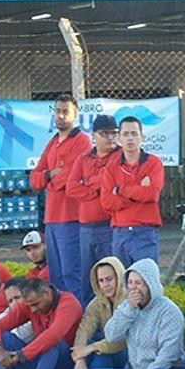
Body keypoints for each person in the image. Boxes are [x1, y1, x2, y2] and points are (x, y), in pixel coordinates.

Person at [69, 258, 185, 369]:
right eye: (130, 282)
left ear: (150, 283)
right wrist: (130, 310)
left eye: (139, 282)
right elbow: (111, 335)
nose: (133, 287)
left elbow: (167, 357)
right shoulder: (128, 307)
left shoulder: (169, 311)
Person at [28, 94, 90, 297]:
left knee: (72, 276)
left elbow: (67, 180)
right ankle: (62, 322)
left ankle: (78, 324)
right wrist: (48, 174)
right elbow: (34, 179)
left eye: (65, 112)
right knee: (56, 278)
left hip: (70, 219)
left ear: (75, 115)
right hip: (51, 220)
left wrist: (50, 178)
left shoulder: (82, 141)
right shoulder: (53, 142)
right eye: (58, 111)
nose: (61, 116)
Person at [59, 113, 118, 306]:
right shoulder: (83, 159)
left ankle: (111, 324)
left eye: (114, 133)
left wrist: (88, 182)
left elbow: (110, 181)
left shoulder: (120, 157)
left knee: (110, 280)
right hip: (85, 229)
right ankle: (90, 323)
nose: (110, 137)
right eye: (104, 133)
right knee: (88, 279)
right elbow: (71, 188)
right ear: (93, 135)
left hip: (108, 227)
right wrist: (97, 188)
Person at [102, 116, 164, 267]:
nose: (130, 138)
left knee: (145, 281)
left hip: (145, 232)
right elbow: (106, 201)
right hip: (120, 233)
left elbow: (152, 194)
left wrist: (120, 190)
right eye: (126, 134)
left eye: (134, 133)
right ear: (119, 138)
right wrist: (138, 192)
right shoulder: (111, 167)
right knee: (123, 284)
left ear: (142, 137)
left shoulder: (153, 162)